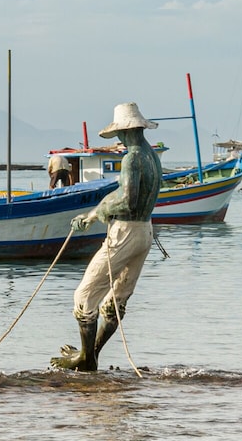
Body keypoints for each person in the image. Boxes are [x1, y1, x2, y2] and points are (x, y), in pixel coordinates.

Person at [52, 103, 161, 372]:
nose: (119, 140)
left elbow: (127, 200)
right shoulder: (152, 156)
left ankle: (86, 359)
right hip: (145, 231)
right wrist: (94, 213)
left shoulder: (132, 158)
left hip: (125, 232)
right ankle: (92, 354)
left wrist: (98, 212)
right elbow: (130, 196)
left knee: (84, 297)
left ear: (124, 131)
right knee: (116, 300)